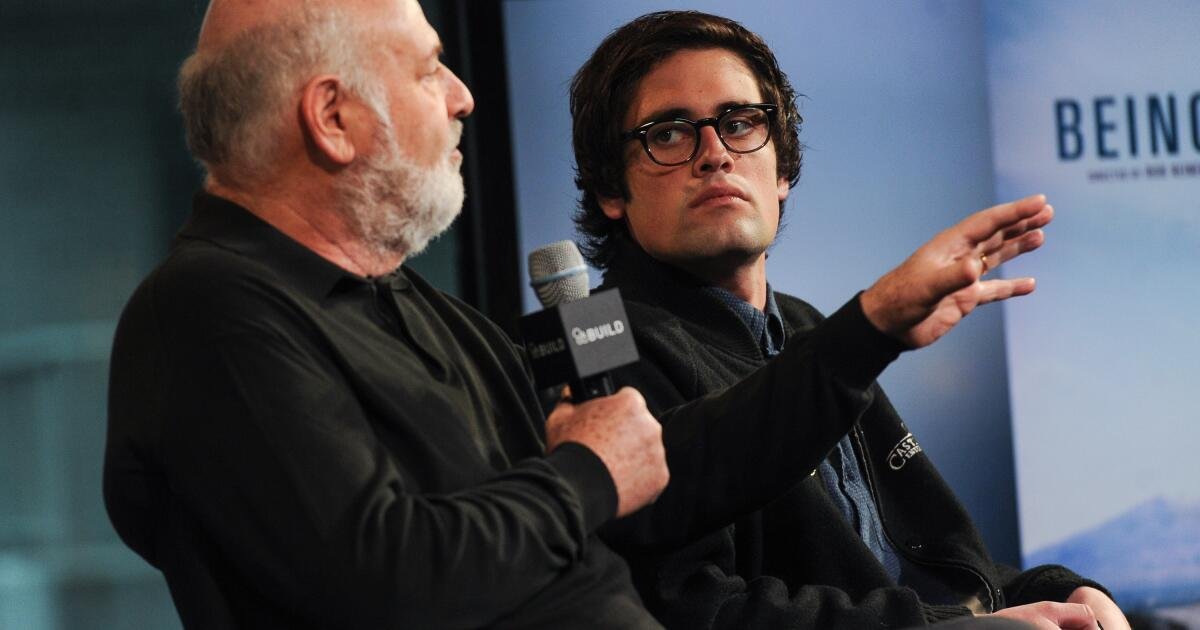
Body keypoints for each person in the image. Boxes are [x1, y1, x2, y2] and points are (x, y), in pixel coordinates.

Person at [105, 0, 1064, 627]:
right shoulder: (210, 312)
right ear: (333, 118)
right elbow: (383, 579)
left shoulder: (424, 314)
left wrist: (868, 331)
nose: (463, 97)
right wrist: (584, 475)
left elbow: (664, 476)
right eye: (430, 68)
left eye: (740, 125)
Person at [569, 10, 1129, 630]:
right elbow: (696, 609)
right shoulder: (598, 349)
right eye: (670, 134)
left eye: (740, 122)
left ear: (783, 169)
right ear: (610, 188)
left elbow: (911, 568)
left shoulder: (804, 325)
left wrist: (1059, 591)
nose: (715, 154)